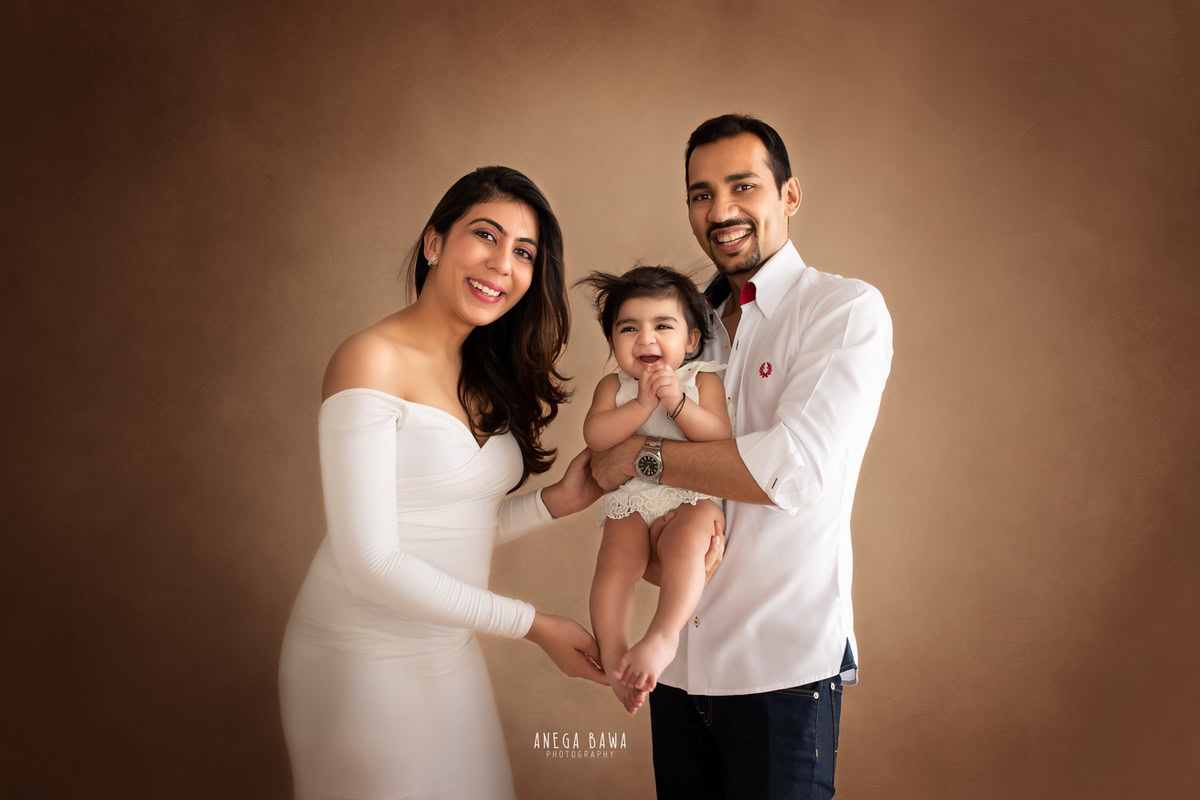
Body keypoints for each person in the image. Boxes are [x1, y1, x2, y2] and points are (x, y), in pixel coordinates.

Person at [278, 165, 608, 800]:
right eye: (485, 236)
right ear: (434, 243)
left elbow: (440, 525)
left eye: (523, 253)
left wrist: (553, 504)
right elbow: (370, 562)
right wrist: (534, 625)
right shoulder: (369, 359)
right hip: (356, 657)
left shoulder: (484, 372)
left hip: (447, 651)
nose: (501, 265)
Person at [591, 115, 894, 799]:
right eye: (701, 194)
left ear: (789, 195)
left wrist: (640, 459)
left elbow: (792, 471)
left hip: (779, 671)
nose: (720, 211)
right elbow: (616, 461)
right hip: (672, 672)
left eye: (742, 187)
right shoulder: (675, 325)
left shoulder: (842, 311)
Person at [577, 266, 731, 715]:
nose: (645, 339)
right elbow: (597, 436)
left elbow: (719, 437)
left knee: (687, 545)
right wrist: (642, 403)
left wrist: (677, 404)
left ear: (690, 339)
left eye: (662, 326)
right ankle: (613, 657)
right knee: (614, 564)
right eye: (629, 328)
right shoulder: (614, 387)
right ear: (613, 341)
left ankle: (663, 637)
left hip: (691, 497)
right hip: (634, 497)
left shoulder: (703, 380)